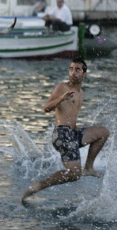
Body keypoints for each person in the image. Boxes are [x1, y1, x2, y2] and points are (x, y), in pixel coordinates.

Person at [22, 58, 110, 203]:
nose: (73, 73)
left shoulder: (80, 92)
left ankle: (88, 167)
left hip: (73, 133)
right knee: (75, 174)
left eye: (77, 70)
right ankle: (39, 185)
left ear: (84, 74)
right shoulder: (62, 88)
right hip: (62, 134)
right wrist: (61, 99)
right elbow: (46, 108)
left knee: (103, 133)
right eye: (71, 69)